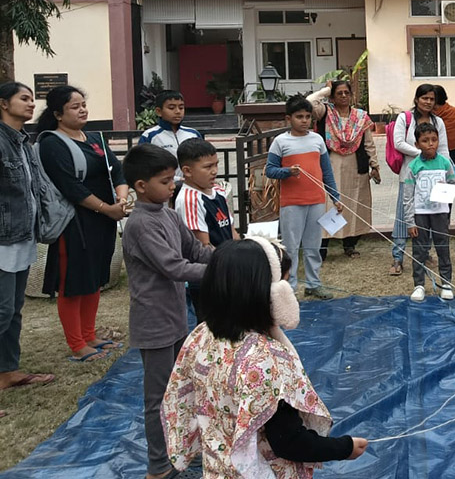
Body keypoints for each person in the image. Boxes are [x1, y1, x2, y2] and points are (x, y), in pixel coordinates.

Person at [161, 240, 368, 478]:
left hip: (217, 470)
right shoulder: (265, 361)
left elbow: (182, 399)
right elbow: (288, 442)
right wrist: (344, 447)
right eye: (284, 286)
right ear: (266, 294)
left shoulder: (200, 336)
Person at [121, 143, 214, 479]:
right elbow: (174, 266)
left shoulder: (170, 215)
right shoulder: (140, 225)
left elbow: (197, 251)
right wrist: (221, 271)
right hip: (153, 323)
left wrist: (234, 254)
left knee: (183, 389)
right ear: (141, 186)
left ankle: (185, 449)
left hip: (176, 319)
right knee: (159, 398)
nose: (172, 185)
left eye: (172, 178)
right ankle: (159, 466)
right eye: (164, 181)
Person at [37, 85, 129, 362]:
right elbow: (71, 187)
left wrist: (121, 200)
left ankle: (90, 335)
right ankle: (77, 344)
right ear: (58, 114)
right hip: (74, 222)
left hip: (104, 219)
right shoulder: (52, 143)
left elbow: (117, 171)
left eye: (83, 105)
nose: (82, 110)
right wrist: (107, 209)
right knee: (73, 281)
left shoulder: (95, 138)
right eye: (74, 107)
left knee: (94, 278)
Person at [0, 82, 54, 412]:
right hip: (3, 239)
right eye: (24, 98)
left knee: (13, 310)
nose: (31, 104)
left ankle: (8, 371)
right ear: (3, 104)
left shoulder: (24, 142)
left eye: (33, 99)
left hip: (22, 236)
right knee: (2, 310)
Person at [265, 96, 341, 299]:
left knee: (313, 245)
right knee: (291, 247)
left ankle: (313, 283)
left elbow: (326, 172)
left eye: (308, 117)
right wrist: (287, 172)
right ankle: (289, 287)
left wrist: (335, 197)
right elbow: (270, 170)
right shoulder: (280, 142)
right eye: (299, 117)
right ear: (288, 118)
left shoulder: (317, 140)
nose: (304, 121)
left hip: (316, 200)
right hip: (292, 203)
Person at [308, 80, 380, 259]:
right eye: (339, 93)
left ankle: (350, 244)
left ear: (351, 96)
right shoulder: (325, 112)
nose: (343, 96)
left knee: (354, 203)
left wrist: (374, 165)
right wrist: (326, 90)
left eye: (346, 93)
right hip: (331, 164)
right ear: (332, 97)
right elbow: (309, 102)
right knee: (329, 204)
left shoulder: (361, 117)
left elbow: (369, 143)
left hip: (355, 166)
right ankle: (323, 246)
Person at [390, 84, 449, 276]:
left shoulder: (438, 121)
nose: (428, 102)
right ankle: (397, 257)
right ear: (416, 99)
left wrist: (446, 172)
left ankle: (425, 254)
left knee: (430, 214)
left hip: (434, 178)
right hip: (410, 174)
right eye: (424, 98)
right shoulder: (404, 118)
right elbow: (399, 143)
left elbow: (443, 149)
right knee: (404, 215)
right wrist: (423, 153)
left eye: (431, 99)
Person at [175, 138, 236, 321]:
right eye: (208, 167)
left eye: (216, 164)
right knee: (213, 326)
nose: (214, 171)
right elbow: (203, 246)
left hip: (227, 268)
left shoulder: (218, 191)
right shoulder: (190, 199)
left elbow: (231, 230)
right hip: (208, 275)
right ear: (187, 171)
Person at [402, 122, 455, 303]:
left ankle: (446, 284)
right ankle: (419, 285)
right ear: (417, 144)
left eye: (434, 139)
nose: (430, 144)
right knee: (420, 249)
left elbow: (454, 183)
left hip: (440, 213)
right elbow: (407, 196)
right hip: (420, 214)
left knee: (443, 247)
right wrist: (410, 221)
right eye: (425, 141)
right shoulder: (413, 166)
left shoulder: (445, 163)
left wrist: (445, 190)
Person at [138, 90, 201, 187]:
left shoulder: (193, 134)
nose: (177, 111)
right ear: (159, 111)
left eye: (181, 107)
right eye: (171, 108)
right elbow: (144, 166)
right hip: (163, 189)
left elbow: (203, 160)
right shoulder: (149, 136)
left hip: (192, 187)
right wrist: (176, 179)